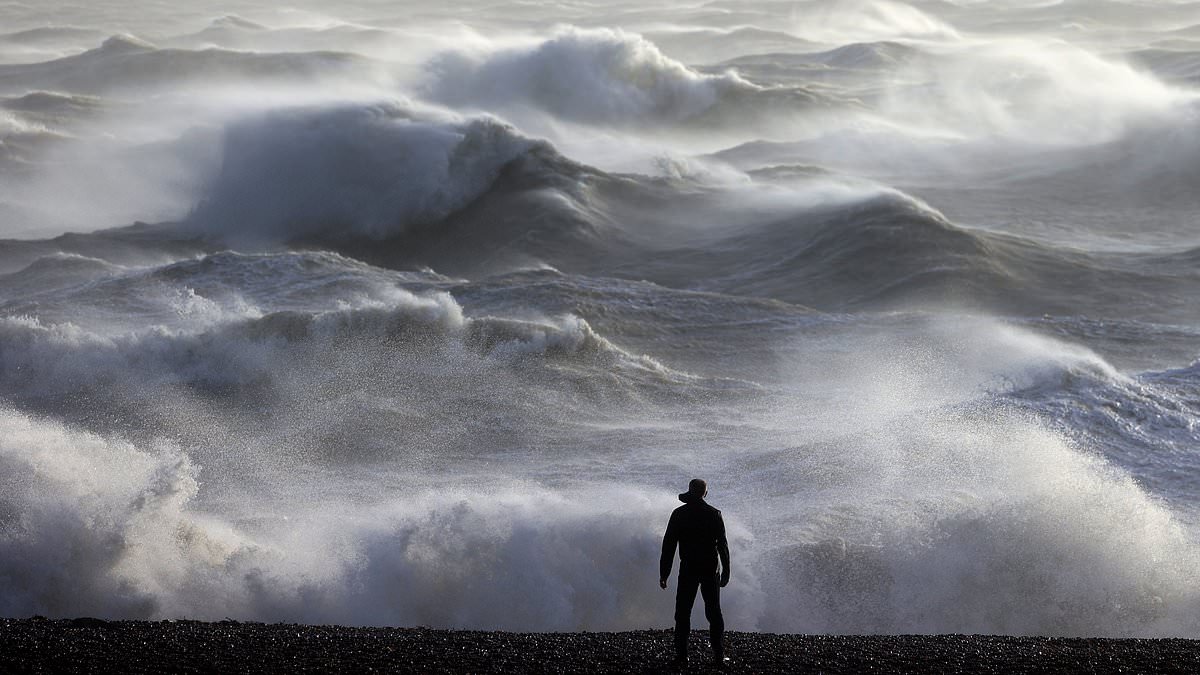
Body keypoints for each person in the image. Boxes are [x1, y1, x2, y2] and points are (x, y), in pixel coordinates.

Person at [660, 478, 730, 667]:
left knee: (682, 613)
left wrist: (664, 573)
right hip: (710, 569)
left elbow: (669, 546)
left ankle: (682, 656)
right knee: (714, 613)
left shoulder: (679, 514)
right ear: (705, 493)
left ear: (690, 491)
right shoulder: (714, 514)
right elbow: (722, 545)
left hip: (689, 569)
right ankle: (718, 656)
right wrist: (726, 571)